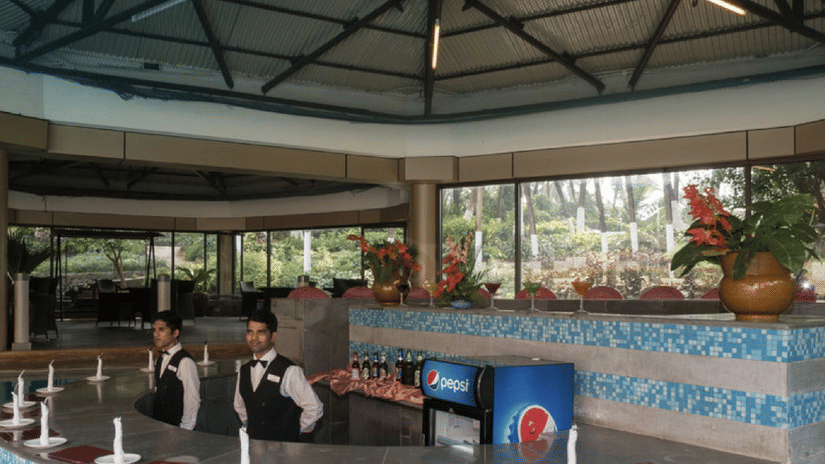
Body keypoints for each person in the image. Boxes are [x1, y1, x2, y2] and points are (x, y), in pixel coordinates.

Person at [234, 310, 323, 441]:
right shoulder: (244, 370)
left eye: (260, 332)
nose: (254, 338)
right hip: (254, 446)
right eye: (250, 332)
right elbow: (239, 405)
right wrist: (251, 425)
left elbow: (314, 408)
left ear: (273, 336)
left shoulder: (289, 370)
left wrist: (295, 431)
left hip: (283, 450)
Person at [152, 310, 200, 430]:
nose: (156, 335)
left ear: (175, 333)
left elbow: (192, 399)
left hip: (177, 429)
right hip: (160, 428)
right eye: (154, 330)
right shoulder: (160, 359)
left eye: (161, 330)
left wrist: (185, 429)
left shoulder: (185, 362)